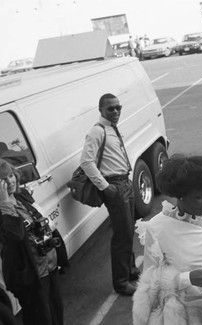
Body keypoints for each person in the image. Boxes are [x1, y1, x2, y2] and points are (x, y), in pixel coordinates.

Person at [133, 154, 202, 324]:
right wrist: (187, 278)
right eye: (199, 197)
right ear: (180, 195)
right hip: (188, 315)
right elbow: (148, 285)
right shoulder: (157, 228)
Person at [79, 93, 139, 296]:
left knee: (129, 231)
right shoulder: (97, 131)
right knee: (122, 236)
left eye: (118, 107)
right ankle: (121, 283)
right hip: (114, 186)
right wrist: (106, 187)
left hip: (125, 183)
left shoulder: (112, 128)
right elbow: (86, 162)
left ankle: (130, 272)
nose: (115, 111)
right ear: (100, 110)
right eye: (110, 109)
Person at [0, 158, 67, 325]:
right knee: (41, 318)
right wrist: (5, 204)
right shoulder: (3, 208)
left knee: (57, 309)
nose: (10, 182)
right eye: (3, 180)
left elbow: (43, 220)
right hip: (30, 276)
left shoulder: (21, 195)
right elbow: (15, 235)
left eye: (10, 176)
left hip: (48, 265)